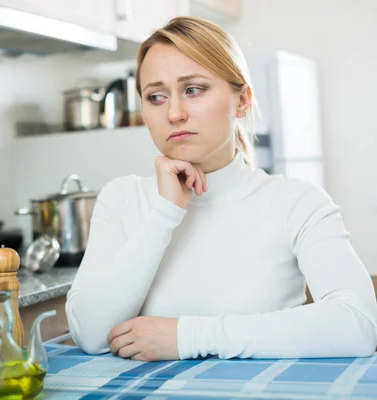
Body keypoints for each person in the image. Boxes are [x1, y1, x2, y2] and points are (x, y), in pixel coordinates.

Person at [64, 16, 377, 361]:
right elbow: (91, 335)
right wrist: (165, 213)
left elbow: (359, 323)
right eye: (156, 96)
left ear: (242, 100)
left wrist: (188, 337)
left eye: (193, 89)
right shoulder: (121, 198)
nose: (174, 113)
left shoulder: (298, 203)